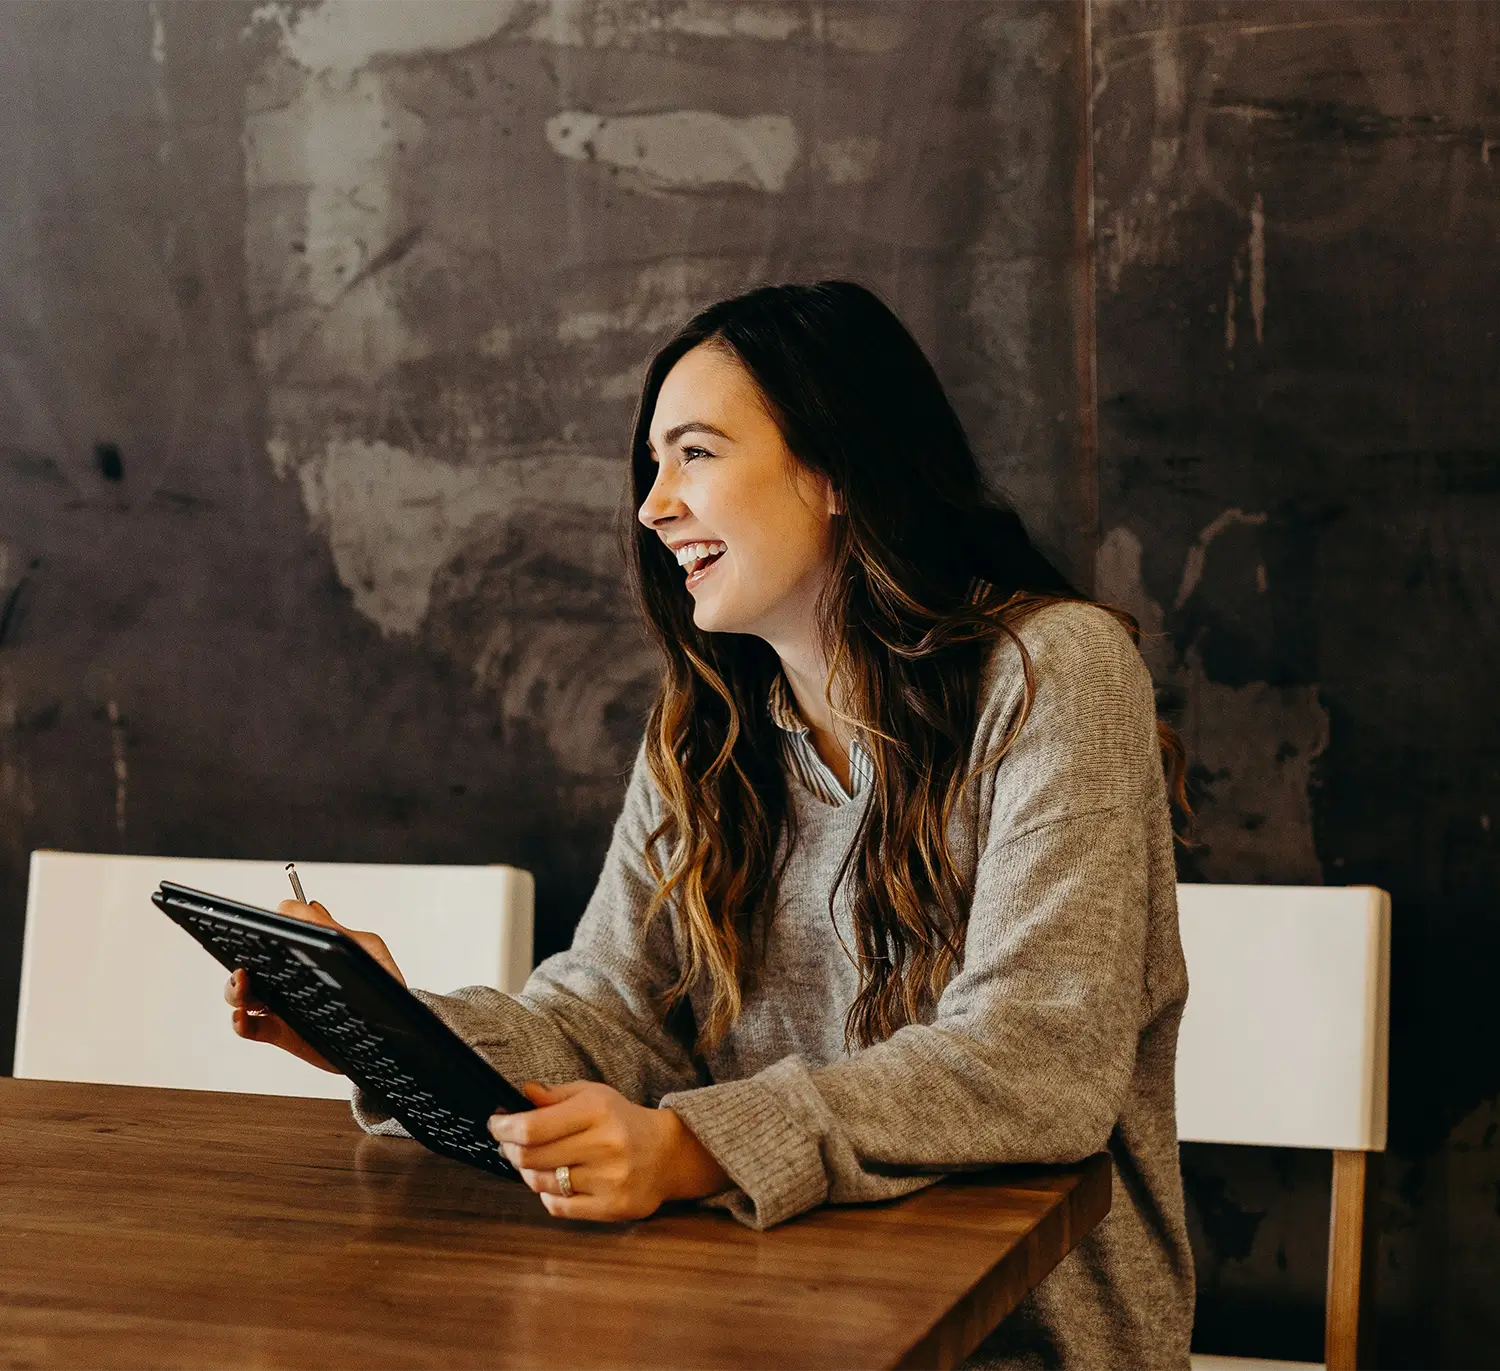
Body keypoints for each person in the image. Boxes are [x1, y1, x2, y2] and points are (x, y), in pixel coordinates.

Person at [226, 280, 1195, 1370]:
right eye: (651, 466)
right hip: (754, 1314)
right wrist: (392, 1032)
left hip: (1014, 1341)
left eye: (693, 454)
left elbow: (1035, 1062)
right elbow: (609, 1021)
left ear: (834, 469)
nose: (652, 506)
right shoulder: (706, 731)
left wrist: (693, 1148)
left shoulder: (1053, 672)